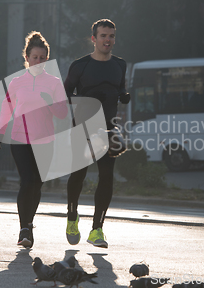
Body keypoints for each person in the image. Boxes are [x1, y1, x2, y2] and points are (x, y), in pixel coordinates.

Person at [0, 31, 67, 248]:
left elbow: (62, 113)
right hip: (20, 139)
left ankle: (29, 223)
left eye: (42, 58)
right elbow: (6, 107)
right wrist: (0, 130)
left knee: (36, 184)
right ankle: (24, 229)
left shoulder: (54, 83)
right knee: (27, 181)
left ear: (47, 59)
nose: (38, 61)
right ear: (26, 58)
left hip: (45, 141)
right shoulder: (17, 82)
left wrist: (50, 102)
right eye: (35, 57)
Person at [64, 19, 130, 248]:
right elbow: (65, 95)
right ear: (93, 39)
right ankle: (72, 217)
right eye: (103, 36)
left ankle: (97, 230)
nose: (107, 40)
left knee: (106, 177)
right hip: (81, 128)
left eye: (111, 36)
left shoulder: (120, 65)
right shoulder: (80, 65)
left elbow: (119, 88)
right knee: (78, 177)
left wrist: (123, 95)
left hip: (107, 129)